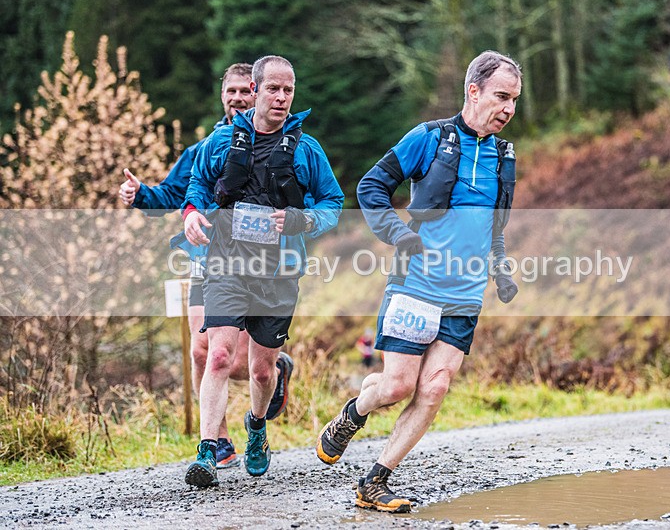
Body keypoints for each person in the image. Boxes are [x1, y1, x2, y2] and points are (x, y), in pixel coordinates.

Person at [316, 50, 521, 512]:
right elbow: (371, 186)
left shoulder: (504, 156)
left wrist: (501, 269)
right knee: (396, 387)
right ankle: (353, 413)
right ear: (474, 91)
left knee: (436, 386)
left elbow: (493, 226)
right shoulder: (430, 138)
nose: (509, 108)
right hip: (416, 286)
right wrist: (400, 235)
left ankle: (375, 481)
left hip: (465, 295)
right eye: (501, 96)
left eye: (514, 100)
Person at [118, 63, 293, 469]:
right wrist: (140, 193)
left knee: (244, 365)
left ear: (256, 93)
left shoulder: (281, 144)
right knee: (206, 354)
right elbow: (174, 194)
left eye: (244, 91)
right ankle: (219, 441)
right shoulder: (207, 147)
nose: (237, 98)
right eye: (230, 91)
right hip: (207, 262)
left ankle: (275, 369)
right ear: (222, 96)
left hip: (259, 266)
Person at [182, 55, 344, 487]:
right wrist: (192, 213)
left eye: (288, 90)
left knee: (260, 371)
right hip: (226, 264)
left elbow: (333, 203)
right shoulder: (221, 141)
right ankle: (207, 451)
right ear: (254, 91)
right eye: (273, 88)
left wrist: (301, 221)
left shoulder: (306, 150)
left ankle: (256, 425)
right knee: (218, 354)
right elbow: (197, 184)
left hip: (278, 273)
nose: (281, 97)